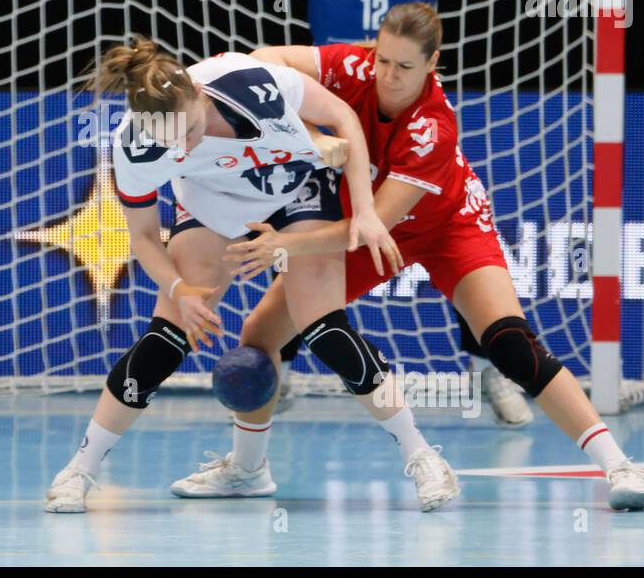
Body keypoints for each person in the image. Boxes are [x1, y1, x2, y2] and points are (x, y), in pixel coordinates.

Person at [208, 0, 595, 420]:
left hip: (407, 128)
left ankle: (488, 364)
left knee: (438, 230)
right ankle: (270, 376)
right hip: (335, 141)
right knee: (318, 253)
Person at [221, 3, 644, 511]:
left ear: (433, 63)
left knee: (511, 344)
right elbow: (259, 60)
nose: (388, 76)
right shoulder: (352, 67)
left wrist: (283, 244)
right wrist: (312, 135)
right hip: (374, 230)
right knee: (259, 336)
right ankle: (247, 471)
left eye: (404, 67)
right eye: (382, 60)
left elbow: (372, 227)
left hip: (445, 224)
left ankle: (619, 466)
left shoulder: (432, 126)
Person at [45, 36, 460, 513]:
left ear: (200, 94)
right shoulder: (136, 148)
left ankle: (422, 456)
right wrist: (178, 289)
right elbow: (141, 238)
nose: (182, 145)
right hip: (212, 203)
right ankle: (80, 468)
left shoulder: (252, 82)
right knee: (167, 335)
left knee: (324, 328)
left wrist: (364, 209)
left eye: (191, 130)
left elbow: (344, 118)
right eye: (170, 140)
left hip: (296, 186)